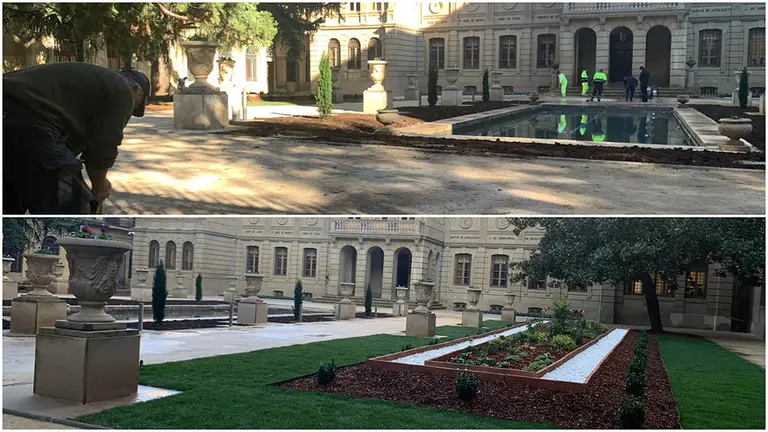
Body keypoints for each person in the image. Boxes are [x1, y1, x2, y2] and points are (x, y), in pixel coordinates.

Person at [3, 62, 150, 215]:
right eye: (137, 104)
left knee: (10, 210)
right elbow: (102, 145)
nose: (132, 109)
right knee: (71, 210)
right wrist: (100, 183)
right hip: (26, 121)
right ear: (134, 88)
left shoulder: (91, 83)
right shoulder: (122, 89)